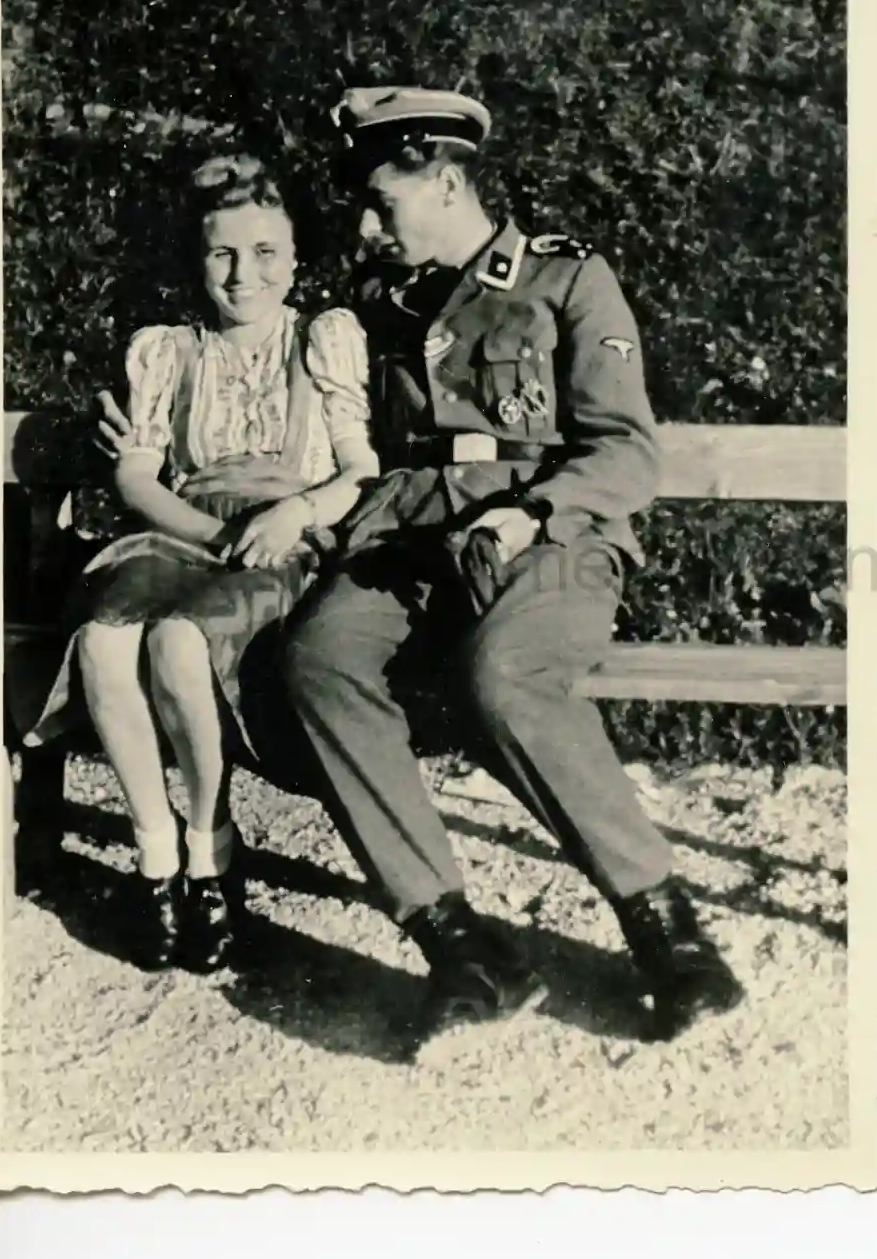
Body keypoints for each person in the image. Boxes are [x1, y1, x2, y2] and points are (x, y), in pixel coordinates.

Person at [277, 86, 743, 1053]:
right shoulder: (380, 302)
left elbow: (625, 452)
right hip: (413, 538)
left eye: (381, 202)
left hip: (557, 538)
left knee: (506, 676)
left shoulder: (568, 279)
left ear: (444, 179)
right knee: (315, 657)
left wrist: (530, 518)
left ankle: (672, 939)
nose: (366, 227)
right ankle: (461, 948)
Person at [36, 152, 379, 972]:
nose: (244, 273)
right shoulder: (169, 350)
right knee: (103, 638)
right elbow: (135, 475)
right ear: (199, 260)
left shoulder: (322, 341)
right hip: (181, 531)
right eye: (223, 252)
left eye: (265, 253)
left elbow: (359, 471)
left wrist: (296, 510)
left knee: (179, 641)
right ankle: (156, 860)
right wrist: (210, 535)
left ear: (294, 260)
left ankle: (211, 851)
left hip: (282, 535)